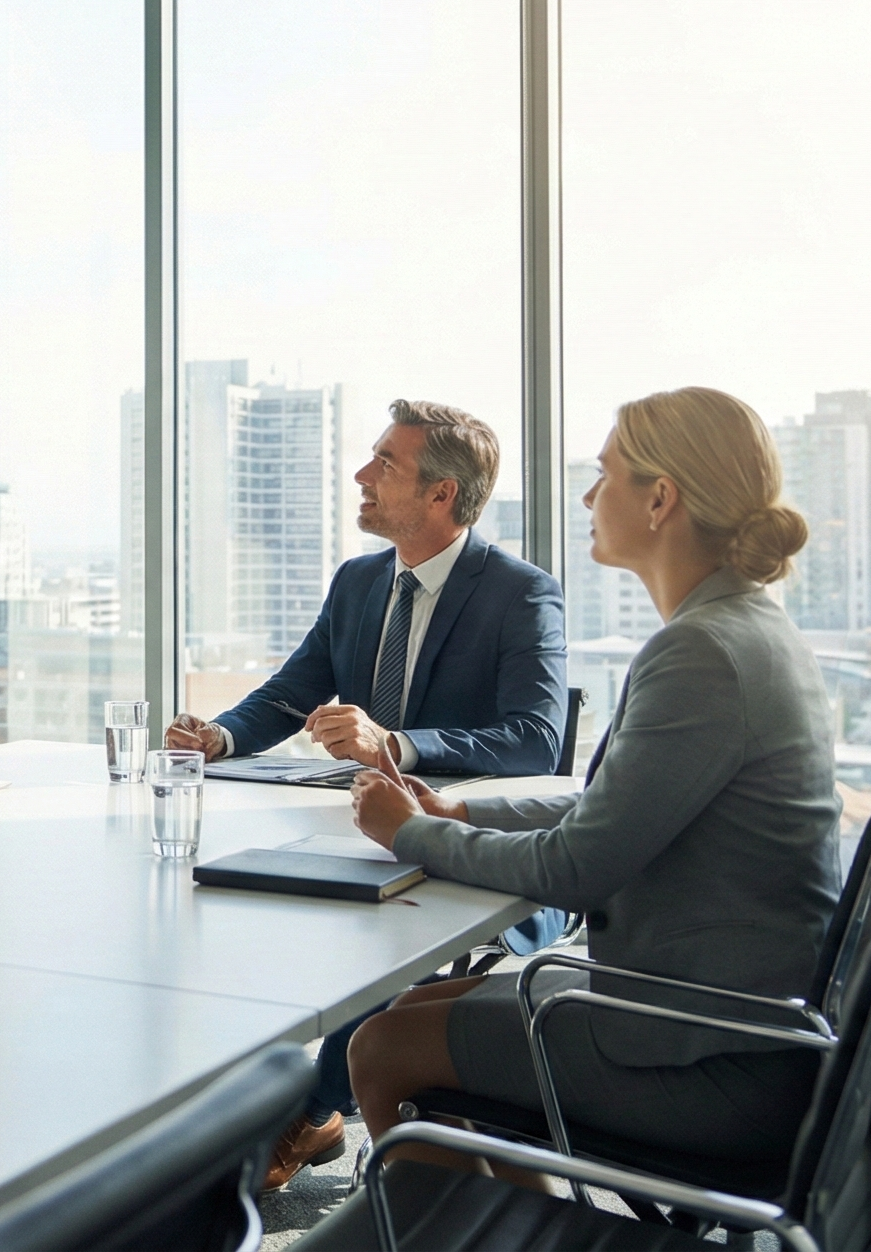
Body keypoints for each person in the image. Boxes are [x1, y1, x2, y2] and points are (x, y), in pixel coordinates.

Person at [341, 386, 838, 1181]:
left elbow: (577, 868)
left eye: (605, 476)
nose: (587, 494)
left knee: (383, 1048)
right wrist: (465, 809)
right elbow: (616, 807)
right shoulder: (744, 626)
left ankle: (496, 1230)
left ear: (660, 500)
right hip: (753, 1018)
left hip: (712, 1052)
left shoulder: (701, 653)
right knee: (416, 1012)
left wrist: (410, 833)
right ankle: (523, 1225)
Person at [160, 400, 566, 1189]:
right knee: (233, 902)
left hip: (474, 855)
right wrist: (221, 736)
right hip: (363, 835)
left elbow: (535, 739)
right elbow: (290, 693)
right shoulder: (358, 582)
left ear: (442, 495)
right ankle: (278, 1104)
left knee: (356, 936)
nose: (361, 476)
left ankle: (304, 1109)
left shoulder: (520, 593)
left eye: (386, 463)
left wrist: (399, 745)